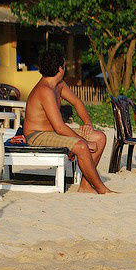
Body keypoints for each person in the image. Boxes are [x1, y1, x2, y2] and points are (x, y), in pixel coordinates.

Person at [22, 47, 114, 194]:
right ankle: (101, 189)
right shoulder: (45, 90)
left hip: (53, 132)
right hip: (37, 135)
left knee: (100, 137)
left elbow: (77, 103)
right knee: (82, 147)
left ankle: (85, 185)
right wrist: (84, 141)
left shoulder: (59, 85)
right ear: (60, 68)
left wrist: (87, 123)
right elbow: (59, 127)